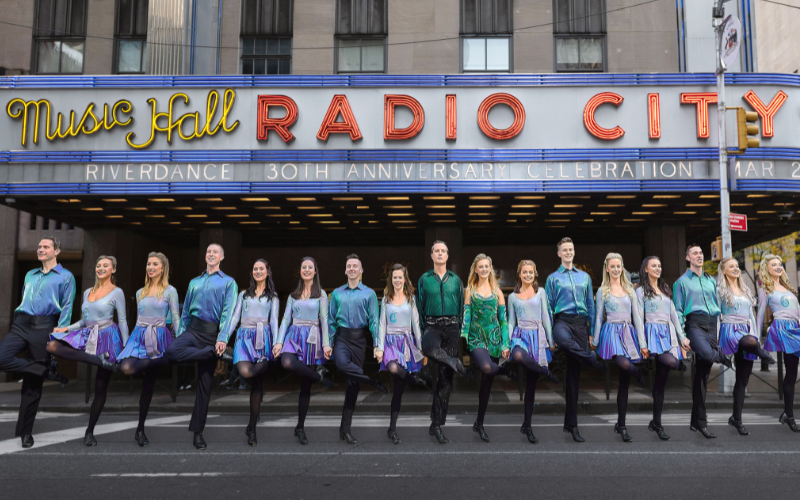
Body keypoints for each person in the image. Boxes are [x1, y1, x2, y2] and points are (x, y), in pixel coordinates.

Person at [0, 236, 75, 448]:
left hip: (45, 326)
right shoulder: (30, 275)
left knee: (32, 385)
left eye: (45, 247)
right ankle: (44, 370)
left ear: (56, 251)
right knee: (2, 357)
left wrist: (60, 333)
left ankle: (26, 433)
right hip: (21, 324)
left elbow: (67, 306)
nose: (40, 249)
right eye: (39, 247)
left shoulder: (66, 276)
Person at [164, 243, 238, 450]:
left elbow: (228, 311)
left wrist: (222, 338)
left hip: (212, 335)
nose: (211, 254)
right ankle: (208, 354)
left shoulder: (229, 282)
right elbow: (186, 310)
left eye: (215, 252)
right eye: (208, 251)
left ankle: (197, 433)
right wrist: (181, 334)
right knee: (171, 351)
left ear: (222, 257)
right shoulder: (194, 282)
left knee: (204, 388)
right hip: (192, 332)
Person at [48, 255, 127, 446]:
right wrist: (66, 329)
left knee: (100, 386)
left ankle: (89, 432)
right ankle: (100, 361)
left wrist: (125, 349)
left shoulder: (117, 292)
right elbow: (84, 321)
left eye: (105, 266)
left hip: (108, 336)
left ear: (113, 270)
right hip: (87, 333)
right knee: (52, 344)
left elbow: (123, 321)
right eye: (98, 265)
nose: (100, 268)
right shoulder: (87, 292)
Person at [545, 237, 606, 443]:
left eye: (571, 249)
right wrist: (549, 334)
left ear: (573, 252)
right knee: (563, 341)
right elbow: (549, 307)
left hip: (581, 325)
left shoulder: (585, 277)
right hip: (562, 321)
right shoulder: (553, 278)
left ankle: (572, 425)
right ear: (559, 253)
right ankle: (590, 359)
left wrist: (591, 332)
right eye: (564, 249)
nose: (568, 252)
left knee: (573, 377)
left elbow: (591, 304)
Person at [118, 252, 180, 447]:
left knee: (148, 385)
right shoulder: (140, 292)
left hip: (160, 336)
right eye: (148, 264)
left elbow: (176, 317)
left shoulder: (170, 291)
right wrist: (129, 343)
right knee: (127, 367)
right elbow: (137, 319)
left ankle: (140, 430)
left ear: (162, 268)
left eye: (154, 264)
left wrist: (180, 341)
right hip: (140, 336)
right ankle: (162, 359)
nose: (150, 267)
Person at [417, 241, 474, 445]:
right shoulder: (424, 280)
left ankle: (437, 425)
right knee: (429, 348)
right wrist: (424, 328)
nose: (440, 254)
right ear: (432, 255)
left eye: (443, 251)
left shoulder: (456, 280)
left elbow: (461, 307)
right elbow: (419, 306)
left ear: (447, 256)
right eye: (436, 251)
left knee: (445, 381)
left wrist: (457, 329)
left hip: (451, 328)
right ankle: (455, 362)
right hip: (431, 326)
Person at [673, 244, 732, 440]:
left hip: (712, 324)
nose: (699, 255)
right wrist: (682, 335)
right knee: (708, 355)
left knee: (702, 377)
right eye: (695, 253)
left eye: (700, 253)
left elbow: (718, 307)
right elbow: (678, 311)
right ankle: (722, 358)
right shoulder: (681, 282)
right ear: (687, 257)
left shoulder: (711, 281)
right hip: (694, 324)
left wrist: (718, 332)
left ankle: (698, 422)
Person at [273, 257, 334, 445]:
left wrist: (326, 344)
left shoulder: (321, 294)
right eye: (303, 267)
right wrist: (279, 343)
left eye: (310, 267)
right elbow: (284, 320)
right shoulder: (294, 295)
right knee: (287, 362)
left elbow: (324, 319)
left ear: (315, 272)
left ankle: (300, 426)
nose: (307, 270)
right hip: (294, 335)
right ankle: (319, 377)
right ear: (300, 271)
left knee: (305, 388)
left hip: (312, 338)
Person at [329, 254, 386, 445]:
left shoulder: (369, 294)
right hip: (342, 338)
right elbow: (330, 321)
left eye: (355, 266)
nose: (352, 268)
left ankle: (345, 429)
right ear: (345, 270)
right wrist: (328, 343)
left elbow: (374, 322)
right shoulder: (336, 293)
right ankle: (371, 381)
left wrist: (378, 345)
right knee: (342, 364)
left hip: (360, 340)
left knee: (353, 386)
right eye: (349, 266)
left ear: (361, 271)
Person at [591, 253, 647, 443]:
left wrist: (643, 343)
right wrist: (596, 340)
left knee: (624, 384)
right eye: (612, 266)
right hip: (611, 333)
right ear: (606, 268)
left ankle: (621, 425)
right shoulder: (602, 291)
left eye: (619, 266)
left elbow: (638, 318)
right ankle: (638, 374)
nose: (616, 269)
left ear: (622, 267)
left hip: (628, 333)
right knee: (623, 364)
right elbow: (598, 317)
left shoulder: (630, 290)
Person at [718, 257, 776, 436]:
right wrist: (716, 339)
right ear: (724, 270)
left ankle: (737, 419)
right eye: (731, 266)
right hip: (730, 330)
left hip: (747, 330)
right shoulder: (719, 289)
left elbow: (751, 315)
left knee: (742, 380)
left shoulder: (744, 289)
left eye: (737, 266)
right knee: (746, 342)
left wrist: (756, 336)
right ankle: (763, 354)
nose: (736, 269)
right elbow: (716, 314)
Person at [224, 259, 279, 447]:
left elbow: (275, 321)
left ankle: (252, 429)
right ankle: (253, 423)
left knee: (257, 386)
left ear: (267, 272)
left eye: (261, 268)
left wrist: (277, 343)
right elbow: (234, 319)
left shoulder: (273, 297)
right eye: (255, 268)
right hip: (244, 339)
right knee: (247, 372)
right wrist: (224, 338)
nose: (258, 271)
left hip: (263, 339)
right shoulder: (243, 295)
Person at [636, 256, 691, 441]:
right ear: (645, 269)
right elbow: (638, 317)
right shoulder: (640, 291)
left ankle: (656, 423)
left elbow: (673, 314)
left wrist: (682, 337)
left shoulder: (665, 289)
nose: (658, 268)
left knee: (660, 383)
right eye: (654, 266)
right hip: (651, 335)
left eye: (659, 265)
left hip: (667, 335)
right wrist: (642, 344)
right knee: (673, 363)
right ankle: (679, 366)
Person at [461, 254, 513, 443]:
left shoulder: (497, 291)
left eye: (487, 267)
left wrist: (506, 344)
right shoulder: (470, 290)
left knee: (487, 384)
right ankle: (505, 369)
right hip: (477, 339)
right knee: (487, 368)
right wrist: (464, 335)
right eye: (480, 266)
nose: (484, 269)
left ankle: (479, 423)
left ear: (490, 269)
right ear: (475, 269)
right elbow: (467, 315)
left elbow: (503, 321)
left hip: (494, 339)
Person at [375, 263, 428, 445]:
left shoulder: (411, 298)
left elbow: (416, 324)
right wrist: (380, 348)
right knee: (393, 368)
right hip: (390, 342)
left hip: (406, 343)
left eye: (400, 277)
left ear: (404, 279)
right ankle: (414, 380)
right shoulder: (386, 298)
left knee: (398, 391)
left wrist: (421, 347)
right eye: (394, 277)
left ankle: (392, 429)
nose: (397, 280)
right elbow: (382, 325)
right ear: (391, 279)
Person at [508, 260, 559, 444]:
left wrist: (551, 340)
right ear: (519, 274)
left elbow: (545, 315)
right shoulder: (512, 297)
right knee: (519, 356)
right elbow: (511, 322)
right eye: (524, 272)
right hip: (520, 335)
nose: (528, 275)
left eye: (531, 272)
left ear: (535, 273)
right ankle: (545, 372)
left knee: (531, 386)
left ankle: (527, 426)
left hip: (538, 337)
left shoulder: (541, 292)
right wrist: (507, 343)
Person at [756, 254, 800, 433]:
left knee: (792, 373)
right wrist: (757, 337)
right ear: (767, 268)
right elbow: (760, 314)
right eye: (774, 264)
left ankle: (787, 414)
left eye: (780, 264)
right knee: (790, 372)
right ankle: (789, 415)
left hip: (796, 328)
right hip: (782, 328)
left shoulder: (788, 287)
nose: (778, 267)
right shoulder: (765, 288)